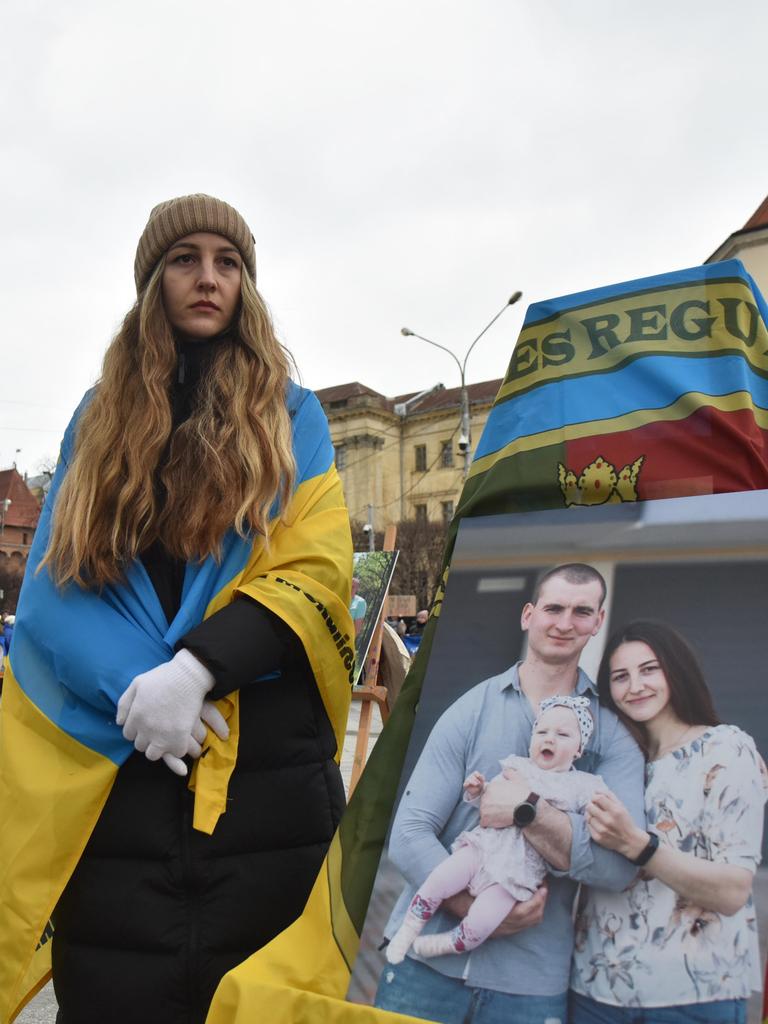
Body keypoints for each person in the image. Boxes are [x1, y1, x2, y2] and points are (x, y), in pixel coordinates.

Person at [0, 194, 354, 1024]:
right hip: (124, 771)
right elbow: (54, 588)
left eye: (227, 262)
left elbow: (316, 564)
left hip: (260, 772)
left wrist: (199, 669)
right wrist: (146, 694)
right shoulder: (96, 420)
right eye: (185, 260)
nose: (208, 279)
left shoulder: (292, 415)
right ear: (153, 281)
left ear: (247, 283)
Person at [375, 563, 645, 1024]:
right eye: (553, 608)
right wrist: (471, 906)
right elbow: (409, 832)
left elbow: (620, 867)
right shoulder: (471, 709)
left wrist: (529, 812)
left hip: (529, 984)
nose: (564, 623)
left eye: (581, 612)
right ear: (528, 615)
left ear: (598, 622)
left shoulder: (612, 737)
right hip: (424, 971)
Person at [570, 621, 766, 1023]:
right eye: (620, 676)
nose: (635, 685)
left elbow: (732, 891)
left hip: (688, 994)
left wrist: (638, 845)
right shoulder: (610, 761)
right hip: (594, 990)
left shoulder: (724, 749)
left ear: (677, 670)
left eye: (649, 669)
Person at [385, 696, 607, 963]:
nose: (549, 739)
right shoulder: (518, 766)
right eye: (542, 731)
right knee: (438, 881)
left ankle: (448, 942)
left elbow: (602, 808)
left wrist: (603, 811)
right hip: (482, 850)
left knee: (483, 923)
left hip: (515, 874)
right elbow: (490, 803)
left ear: (579, 749)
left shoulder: (580, 785)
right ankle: (408, 929)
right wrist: (477, 790)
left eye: (562, 734)